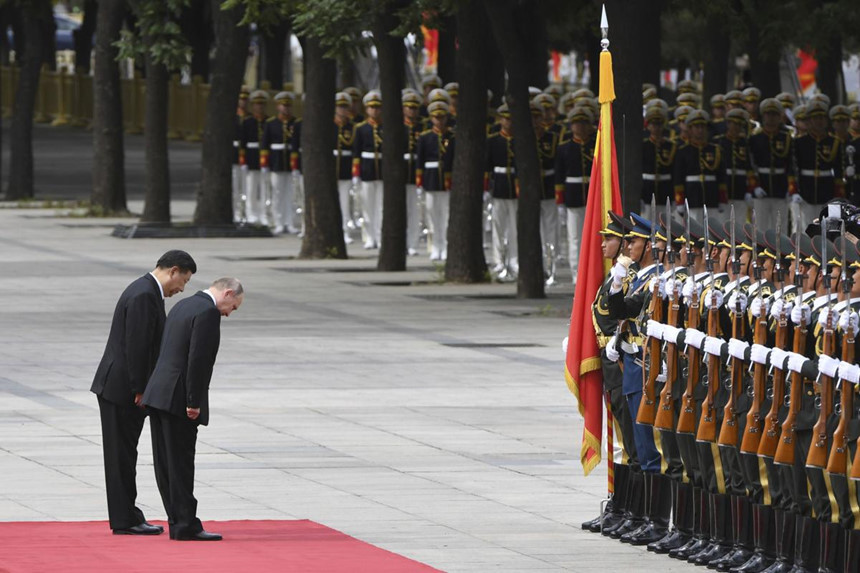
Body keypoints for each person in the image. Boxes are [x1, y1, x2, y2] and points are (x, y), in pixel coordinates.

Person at [91, 250, 197, 535]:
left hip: (122, 386)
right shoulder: (144, 295)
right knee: (120, 456)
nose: (182, 289)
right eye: (183, 281)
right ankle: (125, 519)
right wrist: (141, 390)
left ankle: (128, 515)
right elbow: (136, 346)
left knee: (125, 454)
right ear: (173, 270)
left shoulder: (147, 291)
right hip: (121, 388)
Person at [142, 277, 244, 542]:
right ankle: (186, 524)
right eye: (233, 306)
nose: (230, 313)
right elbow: (198, 360)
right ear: (228, 292)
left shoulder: (183, 305)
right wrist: (193, 401)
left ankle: (177, 520)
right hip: (178, 398)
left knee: (166, 463)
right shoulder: (207, 312)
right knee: (181, 463)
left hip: (159, 393)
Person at [416, 100, 455, 261]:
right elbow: (420, 162)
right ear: (431, 118)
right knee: (432, 214)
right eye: (436, 117)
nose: (439, 120)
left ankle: (445, 246)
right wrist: (419, 182)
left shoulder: (452, 136)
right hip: (431, 178)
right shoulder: (425, 137)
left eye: (442, 117)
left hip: (447, 180)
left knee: (446, 215)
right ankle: (435, 246)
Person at [260, 91, 298, 234]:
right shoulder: (271, 123)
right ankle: (278, 222)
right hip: (276, 162)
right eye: (283, 105)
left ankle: (289, 221)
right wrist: (264, 164)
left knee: (291, 194)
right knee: (276, 193)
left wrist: (295, 165)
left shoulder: (295, 123)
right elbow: (265, 145)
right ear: (278, 106)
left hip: (290, 163)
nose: (286, 108)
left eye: (288, 105)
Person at [352, 90, 384, 250]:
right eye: (371, 107)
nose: (375, 110)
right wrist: (356, 172)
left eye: (377, 107)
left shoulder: (386, 127)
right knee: (367, 206)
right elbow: (356, 152)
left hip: (382, 170)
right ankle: (369, 236)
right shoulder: (361, 128)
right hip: (367, 169)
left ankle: (380, 236)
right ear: (366, 109)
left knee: (381, 207)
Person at [239, 90, 270, 225]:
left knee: (265, 189)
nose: (259, 107)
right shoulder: (247, 122)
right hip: (251, 157)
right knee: (250, 188)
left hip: (265, 159)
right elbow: (242, 143)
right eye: (257, 104)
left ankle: (264, 214)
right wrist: (243, 160)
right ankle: (251, 213)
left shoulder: (268, 121)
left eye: (262, 104)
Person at [333, 92, 356, 244]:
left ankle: (345, 231)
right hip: (331, 168)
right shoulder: (329, 125)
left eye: (345, 107)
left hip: (346, 169)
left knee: (345, 202)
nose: (342, 110)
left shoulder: (353, 127)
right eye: (339, 107)